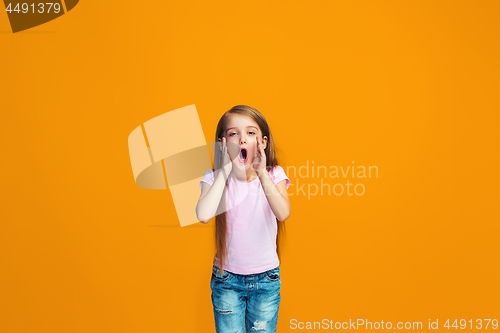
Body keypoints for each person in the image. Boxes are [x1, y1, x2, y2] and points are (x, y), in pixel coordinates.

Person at [196, 105, 291, 333]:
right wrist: (224, 170)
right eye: (233, 134)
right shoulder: (214, 178)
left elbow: (283, 212)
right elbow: (203, 215)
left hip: (266, 281)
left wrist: (261, 172)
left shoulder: (273, 174)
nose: (241, 139)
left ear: (263, 142)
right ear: (223, 143)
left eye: (250, 133)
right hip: (226, 281)